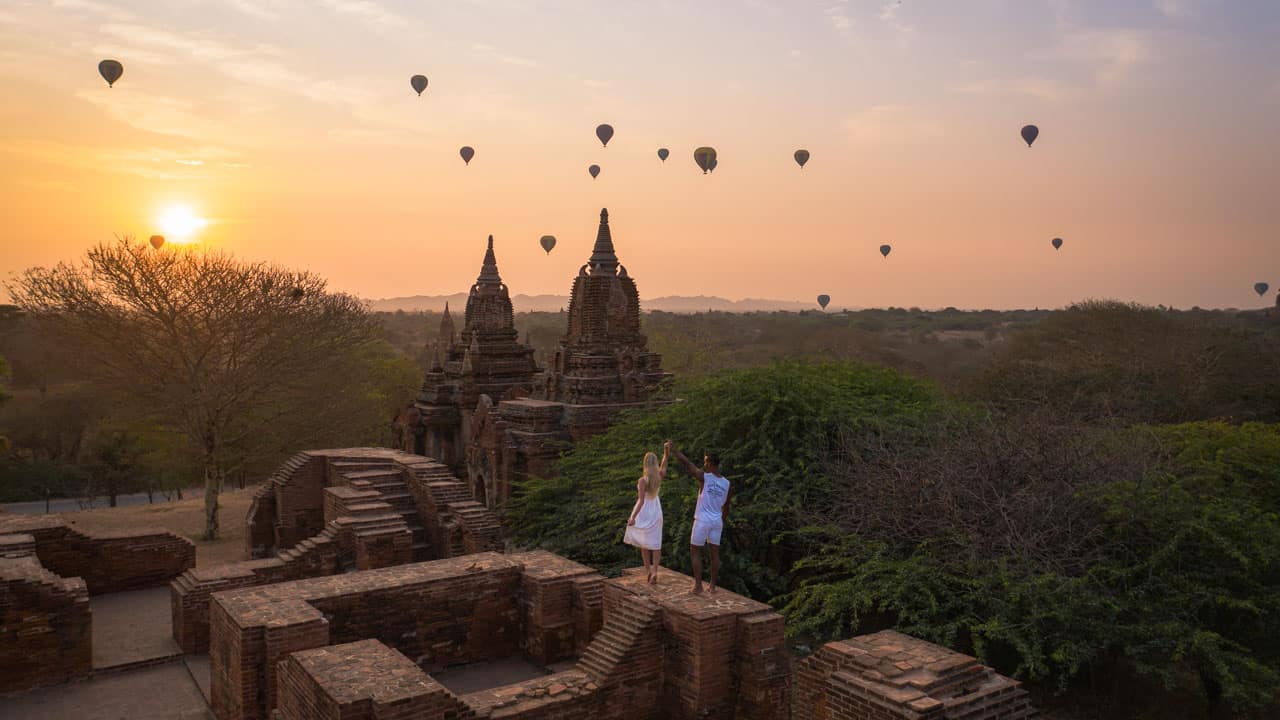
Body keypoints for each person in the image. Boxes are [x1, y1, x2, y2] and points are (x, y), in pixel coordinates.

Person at [672, 442, 732, 594]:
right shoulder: (727, 483)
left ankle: (698, 586)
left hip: (702, 520)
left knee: (695, 551)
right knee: (715, 554)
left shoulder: (705, 477)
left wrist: (674, 450)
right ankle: (712, 586)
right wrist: (721, 522)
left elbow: (687, 463)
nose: (704, 465)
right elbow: (726, 506)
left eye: (705, 462)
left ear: (710, 463)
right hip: (717, 521)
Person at [624, 440, 670, 584]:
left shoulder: (642, 480)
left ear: (645, 464)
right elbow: (665, 462)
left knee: (644, 543)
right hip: (656, 510)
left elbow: (641, 500)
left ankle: (648, 571)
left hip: (644, 511)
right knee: (656, 543)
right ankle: (655, 571)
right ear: (655, 463)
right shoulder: (659, 475)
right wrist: (666, 451)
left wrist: (633, 517)